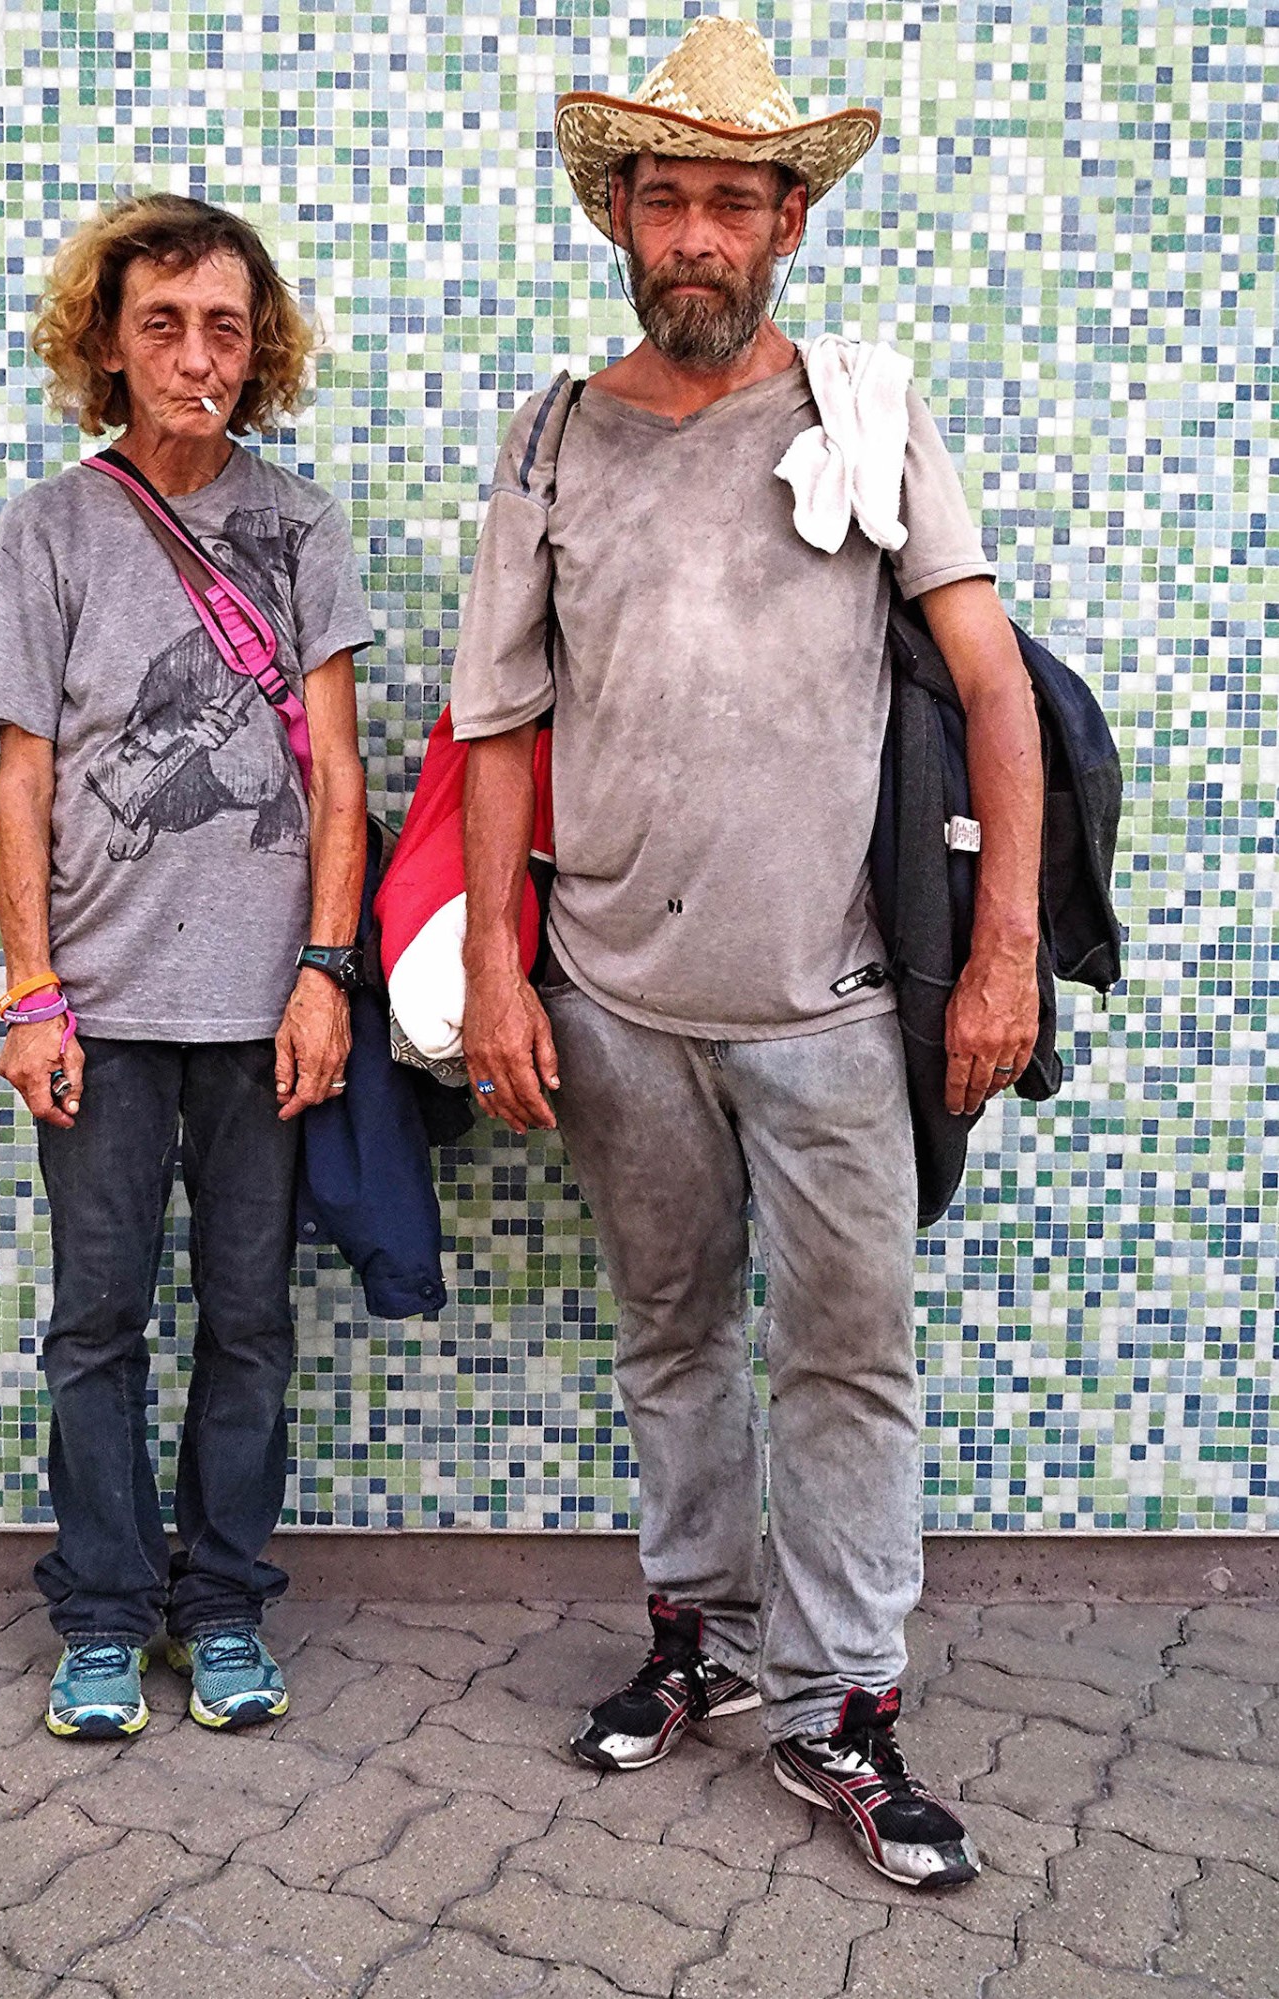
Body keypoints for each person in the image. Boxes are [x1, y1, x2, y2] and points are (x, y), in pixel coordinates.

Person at [454, 18, 1043, 1889]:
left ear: (789, 222)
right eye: (665, 198)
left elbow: (990, 680)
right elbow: (492, 723)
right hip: (614, 1002)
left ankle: (844, 1707)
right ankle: (699, 1644)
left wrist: (1005, 943)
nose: (697, 232)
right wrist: (492, 968)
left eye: (734, 199)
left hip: (838, 1005)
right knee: (670, 1336)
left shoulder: (864, 413)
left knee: (851, 1359)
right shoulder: (550, 433)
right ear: (619, 218)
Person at [0, 195, 374, 1739]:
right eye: (164, 326)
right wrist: (30, 994)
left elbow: (338, 778)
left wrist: (325, 972)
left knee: (252, 1324)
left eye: (225, 326)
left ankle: (219, 1607)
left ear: (258, 345)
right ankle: (97, 1611)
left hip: (267, 1009)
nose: (197, 356)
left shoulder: (302, 528)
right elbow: (23, 778)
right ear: (110, 344)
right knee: (95, 1324)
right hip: (100, 1010)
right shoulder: (54, 528)